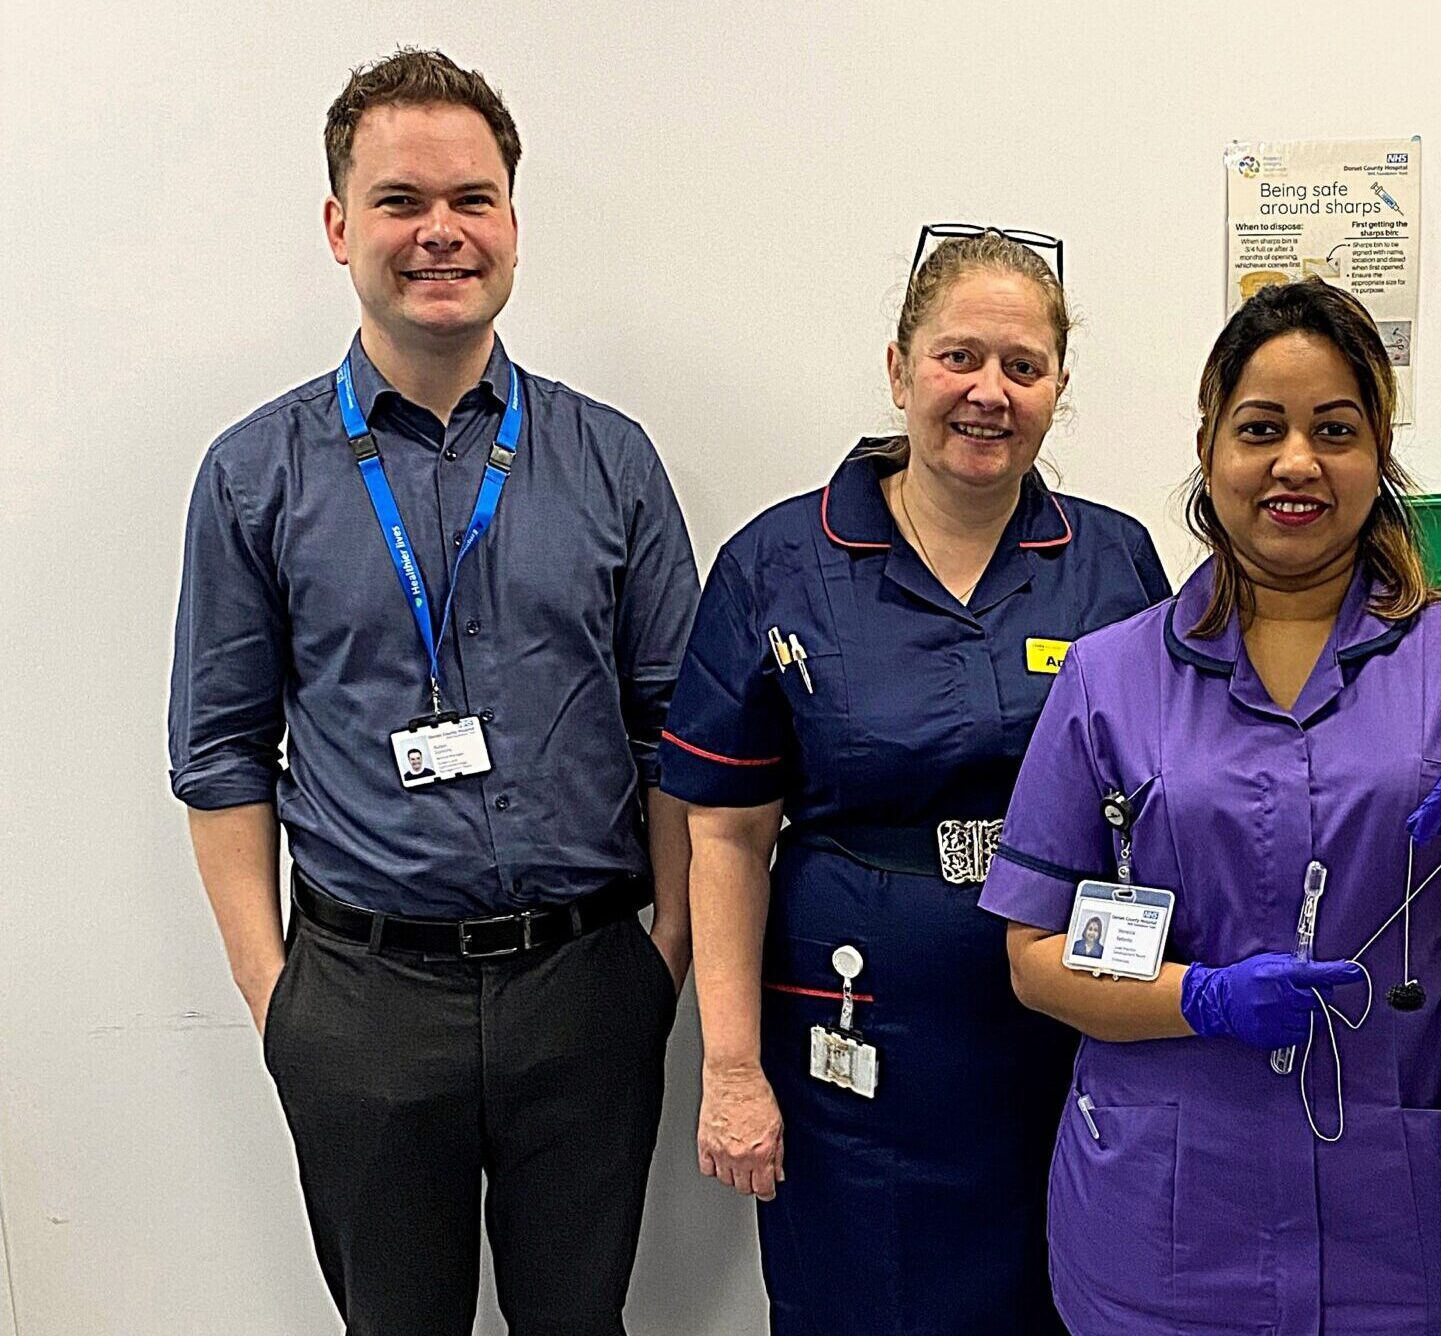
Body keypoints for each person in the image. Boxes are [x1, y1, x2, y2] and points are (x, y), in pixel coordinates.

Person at [166, 49, 697, 1335]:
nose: (440, 232)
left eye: (472, 198)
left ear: (512, 224)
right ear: (342, 226)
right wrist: (275, 993)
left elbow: (682, 733)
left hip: (586, 984)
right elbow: (220, 753)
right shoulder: (256, 473)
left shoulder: (609, 458)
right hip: (361, 999)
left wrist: (661, 955)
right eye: (401, 200)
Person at [982, 278, 1441, 1334]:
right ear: (1210, 449)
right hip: (1161, 1225)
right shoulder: (1107, 677)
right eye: (1259, 429)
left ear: (1378, 452)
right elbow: (1034, 955)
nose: (1295, 462)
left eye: (1334, 430)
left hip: (1393, 1225)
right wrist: (1202, 999)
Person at [661, 227, 1172, 1336]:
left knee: (1065, 1291)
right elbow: (725, 837)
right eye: (958, 358)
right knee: (861, 1299)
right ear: (898, 369)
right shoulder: (778, 562)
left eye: (1022, 367)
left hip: (1060, 1021)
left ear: (1056, 390)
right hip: (856, 1035)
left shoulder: (1113, 563)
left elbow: (1168, 801)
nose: (988, 392)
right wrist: (732, 1068)